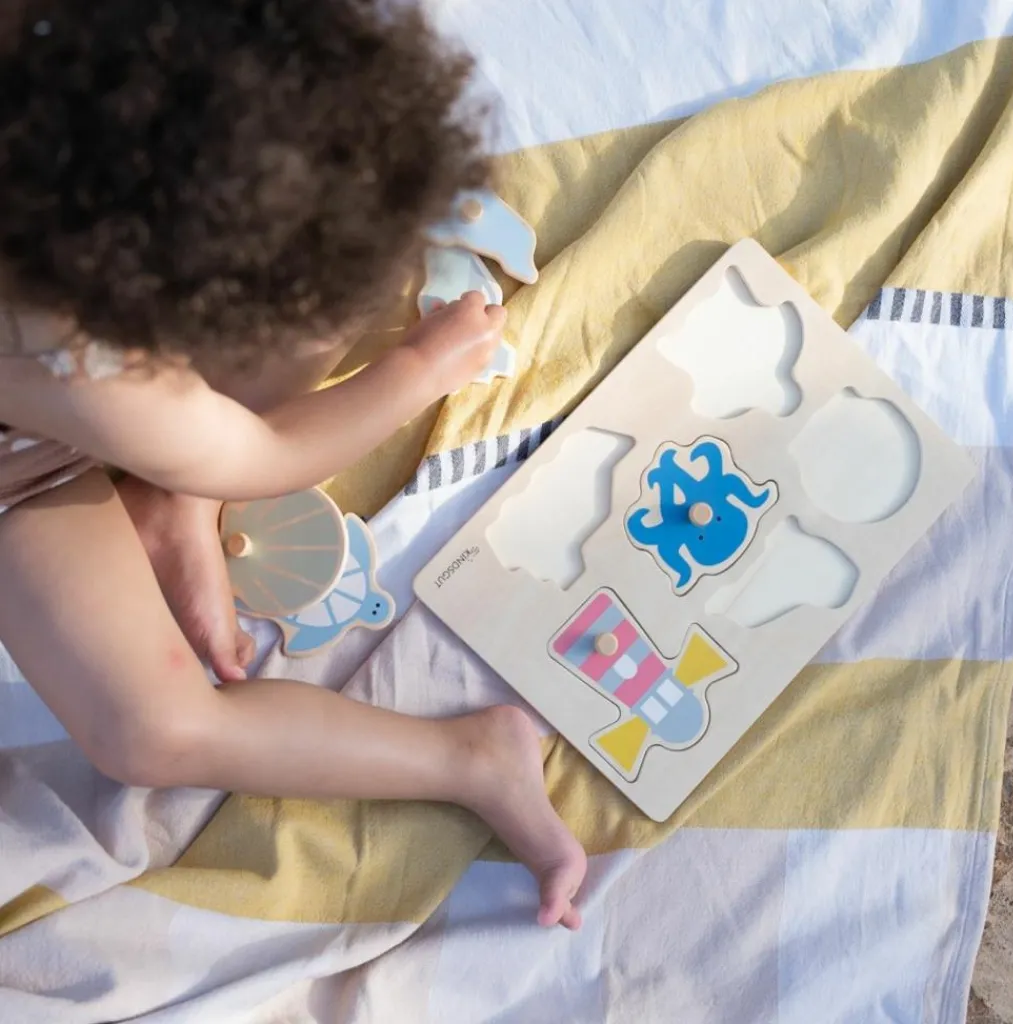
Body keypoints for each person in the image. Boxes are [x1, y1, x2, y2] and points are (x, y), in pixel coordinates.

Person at [0, 0, 585, 930]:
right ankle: (469, 758)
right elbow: (269, 452)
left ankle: (175, 495)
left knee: (325, 249)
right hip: (26, 470)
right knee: (152, 729)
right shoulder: (89, 378)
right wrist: (416, 369)